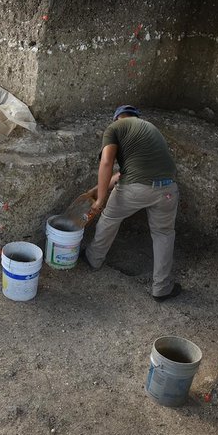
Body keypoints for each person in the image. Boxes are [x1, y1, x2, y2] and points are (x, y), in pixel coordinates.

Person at [83, 105, 182, 301]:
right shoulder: (148, 129)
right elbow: (122, 173)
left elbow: (106, 162)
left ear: (117, 118)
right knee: (163, 233)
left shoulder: (114, 128)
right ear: (136, 117)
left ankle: (93, 259)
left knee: (110, 217)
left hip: (136, 189)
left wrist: (100, 200)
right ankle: (161, 289)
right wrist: (95, 190)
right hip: (168, 189)